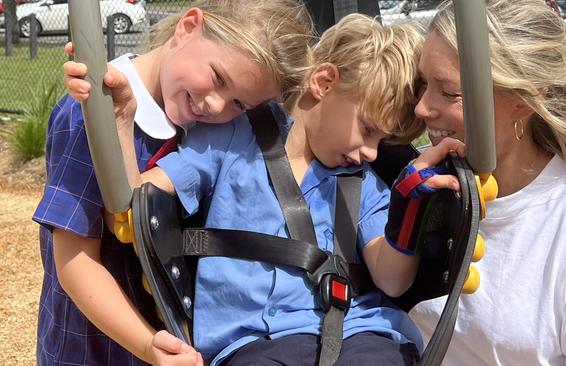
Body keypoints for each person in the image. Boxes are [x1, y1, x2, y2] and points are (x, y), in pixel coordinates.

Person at [66, 13, 460, 365]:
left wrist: (407, 209)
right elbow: (138, 205)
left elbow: (392, 280)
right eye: (369, 129)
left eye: (382, 140)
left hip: (360, 334)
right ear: (324, 82)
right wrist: (120, 122)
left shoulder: (363, 184)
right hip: (253, 343)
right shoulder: (228, 140)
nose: (369, 152)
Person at [33, 1, 313, 365]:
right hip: (94, 348)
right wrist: (149, 346)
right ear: (188, 26)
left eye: (239, 104)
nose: (216, 105)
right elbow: (75, 263)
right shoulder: (89, 112)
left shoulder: (205, 129)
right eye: (219, 78)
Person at [408, 0, 566, 364]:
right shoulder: (419, 185)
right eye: (424, 84)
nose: (421, 108)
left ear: (524, 99)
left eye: (448, 92)